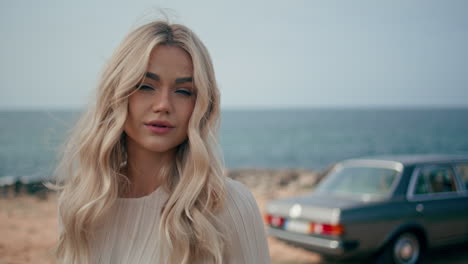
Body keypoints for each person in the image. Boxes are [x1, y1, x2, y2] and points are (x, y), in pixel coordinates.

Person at [53, 20, 270, 263]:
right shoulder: (82, 204)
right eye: (146, 86)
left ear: (201, 105)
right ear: (118, 94)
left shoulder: (228, 205)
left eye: (183, 91)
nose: (163, 105)